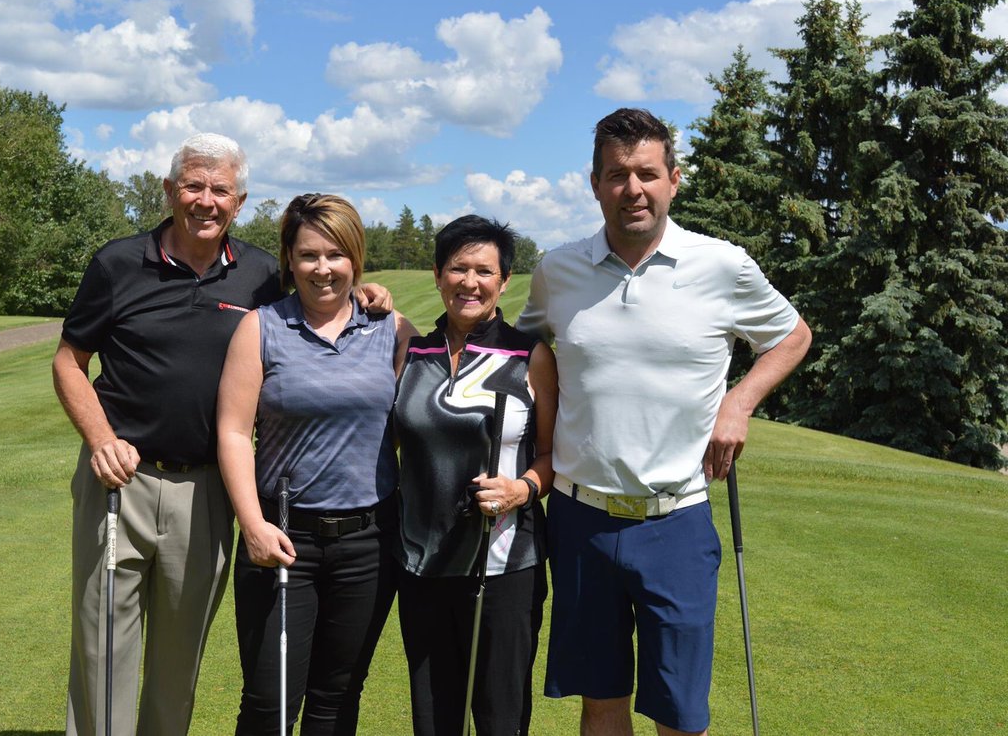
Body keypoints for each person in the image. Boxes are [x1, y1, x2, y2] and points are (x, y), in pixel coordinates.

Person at [53, 136, 391, 736]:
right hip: (120, 479)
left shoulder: (262, 275)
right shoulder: (118, 263)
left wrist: (366, 294)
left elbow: (316, 309)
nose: (205, 201)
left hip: (207, 491)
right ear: (169, 191)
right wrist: (101, 437)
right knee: (106, 647)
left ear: (239, 201)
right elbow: (68, 360)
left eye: (220, 190)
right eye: (193, 186)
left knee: (180, 659)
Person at [518, 108, 812, 736]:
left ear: (674, 180)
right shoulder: (557, 271)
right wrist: (385, 313)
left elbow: (791, 336)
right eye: (618, 175)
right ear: (594, 183)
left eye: (647, 173)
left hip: (676, 520)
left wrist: (739, 403)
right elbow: (509, 342)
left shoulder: (722, 265)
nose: (634, 190)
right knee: (600, 702)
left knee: (680, 714)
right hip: (580, 518)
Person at [216, 193, 417, 736]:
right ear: (289, 258)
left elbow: (423, 419)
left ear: (355, 257)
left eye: (336, 254)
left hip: (369, 542)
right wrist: (252, 525)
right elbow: (233, 433)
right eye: (308, 255)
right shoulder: (261, 327)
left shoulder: (392, 330)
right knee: (269, 701)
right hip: (282, 537)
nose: (322, 268)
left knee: (337, 696)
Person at [393, 215, 558, 736]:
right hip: (421, 562)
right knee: (434, 718)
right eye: (457, 268)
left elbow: (554, 455)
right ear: (438, 274)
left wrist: (521, 488)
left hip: (506, 563)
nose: (470, 282)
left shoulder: (530, 356)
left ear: (504, 280)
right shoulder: (411, 352)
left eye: (484, 271)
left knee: (499, 717)